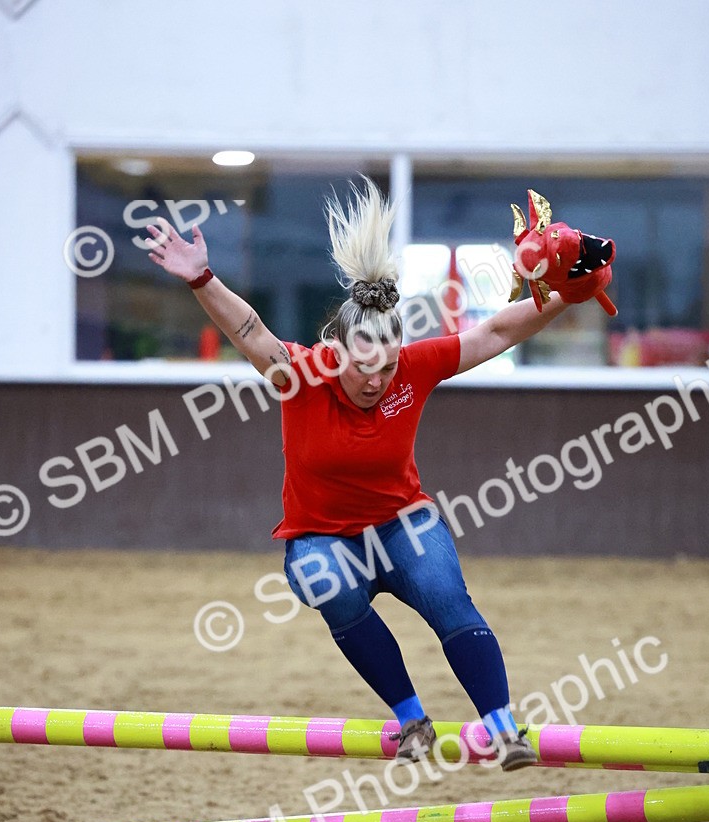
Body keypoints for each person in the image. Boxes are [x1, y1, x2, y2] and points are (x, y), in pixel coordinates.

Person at [145, 178, 572, 769]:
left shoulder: (413, 369)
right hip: (322, 538)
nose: (376, 381)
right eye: (363, 367)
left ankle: (504, 729)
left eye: (387, 367)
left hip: (403, 525)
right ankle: (412, 721)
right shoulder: (300, 374)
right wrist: (201, 278)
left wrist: (566, 295)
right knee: (326, 583)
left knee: (448, 597)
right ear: (337, 352)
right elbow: (250, 331)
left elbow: (495, 331)